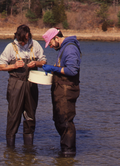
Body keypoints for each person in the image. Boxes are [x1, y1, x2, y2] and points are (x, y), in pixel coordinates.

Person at [0, 24, 46, 147]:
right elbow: (1, 66)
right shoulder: (10, 47)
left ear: (28, 36)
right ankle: (10, 150)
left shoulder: (35, 45)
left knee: (30, 115)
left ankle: (29, 149)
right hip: (15, 84)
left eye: (25, 40)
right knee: (13, 115)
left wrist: (36, 63)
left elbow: (44, 61)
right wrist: (14, 66)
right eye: (21, 41)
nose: (23, 43)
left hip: (31, 84)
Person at [42, 28, 81, 157]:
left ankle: (69, 153)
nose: (51, 46)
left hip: (67, 91)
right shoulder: (63, 48)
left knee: (65, 122)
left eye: (51, 43)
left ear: (56, 38)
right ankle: (64, 156)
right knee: (59, 120)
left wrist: (54, 68)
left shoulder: (70, 48)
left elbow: (72, 71)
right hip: (61, 91)